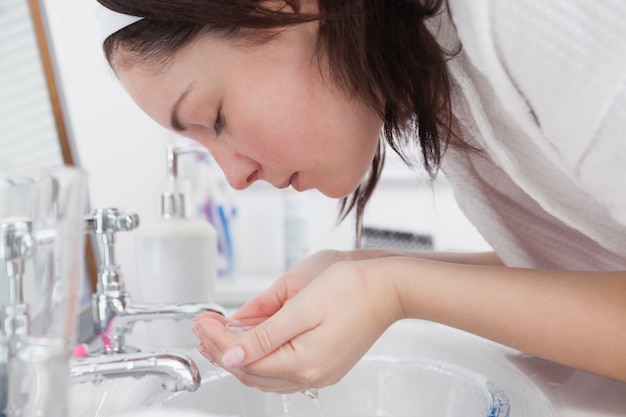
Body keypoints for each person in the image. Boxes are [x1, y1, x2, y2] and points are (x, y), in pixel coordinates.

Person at [95, 0, 626, 391]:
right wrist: (363, 272)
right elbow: (594, 271)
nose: (233, 176)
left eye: (214, 119)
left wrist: (393, 289)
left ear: (285, 9)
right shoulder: (440, 67)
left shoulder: (527, 15)